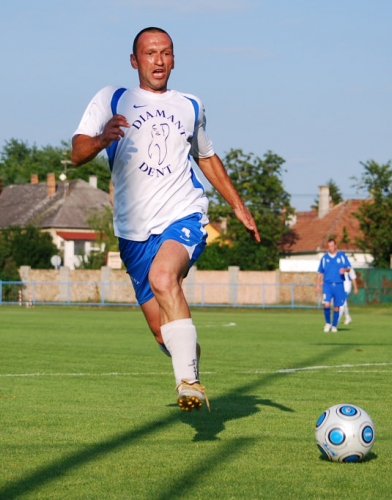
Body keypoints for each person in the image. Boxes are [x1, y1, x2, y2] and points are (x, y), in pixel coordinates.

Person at [71, 27, 260, 411]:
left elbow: (206, 156)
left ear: (174, 59)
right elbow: (77, 153)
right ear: (134, 60)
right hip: (132, 233)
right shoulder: (112, 99)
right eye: (150, 53)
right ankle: (187, 356)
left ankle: (188, 381)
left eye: (166, 53)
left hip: (183, 215)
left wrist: (238, 205)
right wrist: (102, 139)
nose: (159, 60)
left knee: (164, 277)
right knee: (162, 332)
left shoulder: (190, 105)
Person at [316, 239, 352, 332]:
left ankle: (334, 325)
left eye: (332, 246)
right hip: (327, 284)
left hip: (339, 284)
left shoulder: (342, 256)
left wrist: (344, 270)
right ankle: (328, 323)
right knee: (326, 304)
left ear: (335, 246)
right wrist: (317, 285)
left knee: (337, 307)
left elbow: (349, 268)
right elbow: (320, 272)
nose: (330, 248)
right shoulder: (324, 258)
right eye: (329, 246)